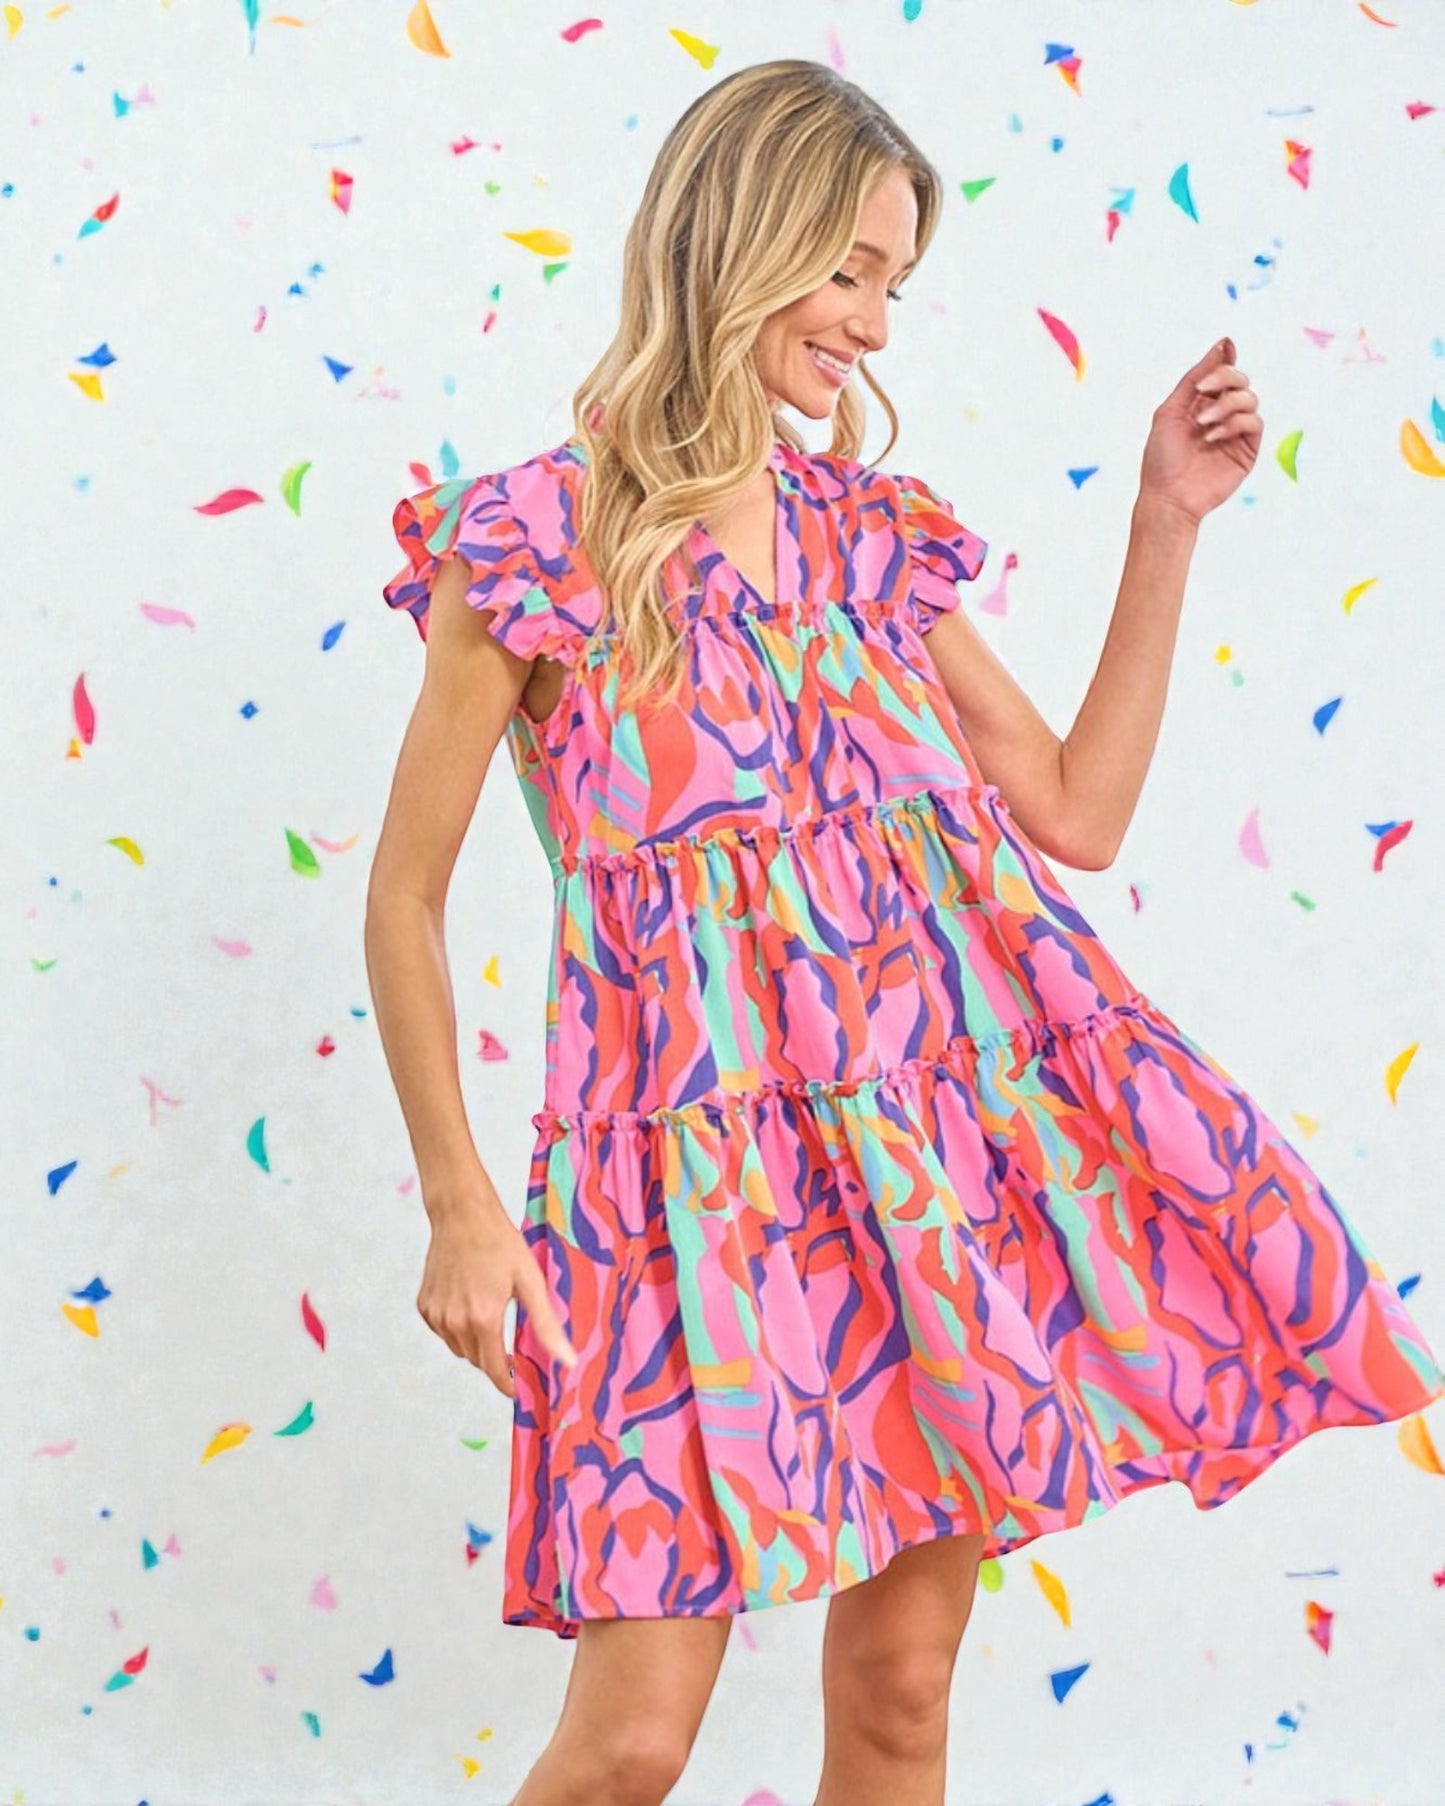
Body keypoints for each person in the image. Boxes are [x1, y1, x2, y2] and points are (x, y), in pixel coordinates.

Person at [365, 57, 1445, 1806]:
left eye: (891, 285)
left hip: (922, 1178)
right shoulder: (536, 544)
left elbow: (1075, 815)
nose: (870, 323)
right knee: (630, 1741)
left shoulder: (871, 543)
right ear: (740, 240)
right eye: (849, 270)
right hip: (670, 1202)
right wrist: (459, 1203)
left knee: (897, 1690)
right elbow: (401, 896)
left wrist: (1164, 519)